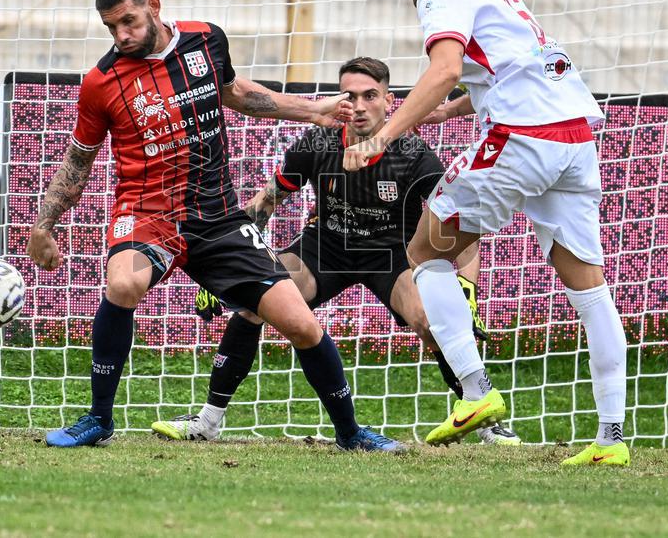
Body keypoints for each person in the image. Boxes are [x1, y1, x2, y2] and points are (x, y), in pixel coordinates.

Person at [28, 0, 403, 452]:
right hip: (149, 215)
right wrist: (44, 224)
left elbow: (238, 94)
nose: (122, 35)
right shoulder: (101, 83)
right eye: (111, 28)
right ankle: (99, 418)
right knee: (123, 283)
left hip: (219, 218)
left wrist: (314, 110)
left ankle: (351, 434)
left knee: (302, 324)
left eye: (129, 21)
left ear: (155, 6)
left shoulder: (206, 41)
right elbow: (79, 160)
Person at [343, 0, 629, 466]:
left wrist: (381, 136)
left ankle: (475, 394)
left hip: (522, 140)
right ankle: (611, 440)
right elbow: (508, 68)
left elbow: (445, 68)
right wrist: (457, 107)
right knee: (589, 289)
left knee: (426, 251)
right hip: (574, 138)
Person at [151, 57, 520, 446]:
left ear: (388, 100)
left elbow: (458, 226)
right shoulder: (318, 142)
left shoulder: (414, 155)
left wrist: (466, 286)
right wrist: (225, 267)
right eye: (350, 96)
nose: (359, 106)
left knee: (432, 321)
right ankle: (207, 422)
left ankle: (484, 419)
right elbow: (267, 201)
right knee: (252, 301)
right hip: (324, 248)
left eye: (370, 96)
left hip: (392, 255)